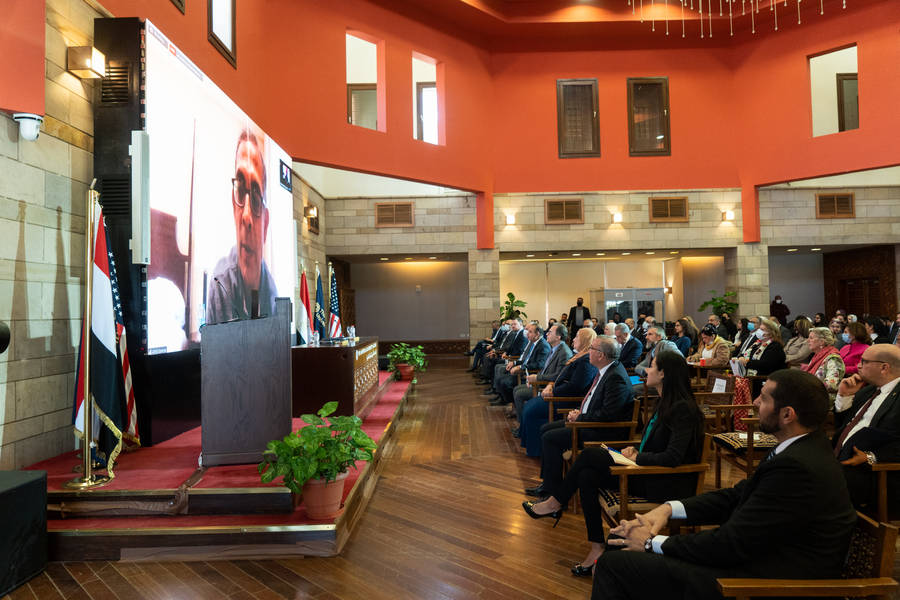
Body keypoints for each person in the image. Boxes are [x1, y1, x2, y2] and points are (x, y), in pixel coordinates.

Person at [595, 369, 857, 600]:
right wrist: (666, 509)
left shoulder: (798, 467)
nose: (754, 402)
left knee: (613, 564)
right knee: (620, 538)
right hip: (753, 562)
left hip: (761, 584)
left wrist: (653, 543)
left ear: (787, 415)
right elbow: (735, 495)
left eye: (763, 398)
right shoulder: (800, 448)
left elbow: (732, 544)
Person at [522, 351, 704, 577]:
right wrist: (635, 450)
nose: (646, 370)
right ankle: (596, 547)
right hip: (648, 472)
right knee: (586, 476)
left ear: (664, 373)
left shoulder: (682, 408)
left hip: (664, 481)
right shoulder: (664, 402)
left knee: (589, 455)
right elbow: (657, 445)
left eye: (651, 366)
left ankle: (555, 503)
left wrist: (638, 457)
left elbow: (673, 457)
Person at [523, 335, 632, 497]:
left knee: (550, 437)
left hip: (601, 431)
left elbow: (609, 414)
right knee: (545, 429)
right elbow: (594, 401)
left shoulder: (616, 377)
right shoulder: (607, 370)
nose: (588, 352)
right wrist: (578, 412)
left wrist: (580, 418)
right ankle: (548, 482)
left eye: (591, 349)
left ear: (601, 355)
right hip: (588, 421)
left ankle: (551, 490)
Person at [208, 129, 278, 324]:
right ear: (233, 204)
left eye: (255, 198)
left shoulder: (273, 293)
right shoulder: (219, 282)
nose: (246, 215)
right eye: (240, 190)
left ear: (265, 224)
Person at [833, 344, 900, 516]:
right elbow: (843, 429)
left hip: (879, 473)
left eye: (864, 361)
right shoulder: (868, 390)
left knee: (820, 482)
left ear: (884, 367)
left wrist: (871, 457)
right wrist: (844, 397)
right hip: (842, 458)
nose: (858, 366)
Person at [517, 328, 597, 452]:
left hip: (567, 400)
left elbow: (575, 386)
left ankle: (536, 449)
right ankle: (530, 444)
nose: (574, 339)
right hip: (558, 393)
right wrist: (550, 385)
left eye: (577, 337)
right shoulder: (578, 356)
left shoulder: (586, 361)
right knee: (530, 406)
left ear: (586, 340)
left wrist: (554, 392)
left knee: (532, 410)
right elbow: (559, 374)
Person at [508, 322, 572, 424]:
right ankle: (523, 424)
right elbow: (544, 368)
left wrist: (537, 379)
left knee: (519, 394)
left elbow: (558, 376)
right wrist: (534, 377)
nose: (546, 334)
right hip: (542, 381)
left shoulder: (564, 352)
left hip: (548, 386)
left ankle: (522, 425)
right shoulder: (554, 348)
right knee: (516, 389)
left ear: (558, 337)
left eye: (550, 332)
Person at [488, 323, 549, 405]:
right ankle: (507, 400)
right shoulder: (533, 343)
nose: (527, 333)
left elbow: (539, 365)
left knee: (505, 382)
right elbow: (526, 360)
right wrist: (515, 363)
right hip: (525, 369)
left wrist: (520, 367)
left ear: (537, 334)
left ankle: (512, 403)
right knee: (500, 378)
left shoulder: (543, 345)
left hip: (529, 373)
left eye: (530, 331)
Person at [736, 318, 787, 397]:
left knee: (734, 384)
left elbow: (764, 364)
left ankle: (739, 407)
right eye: (759, 328)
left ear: (770, 333)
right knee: (730, 380)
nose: (759, 331)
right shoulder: (756, 344)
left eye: (762, 329)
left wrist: (746, 363)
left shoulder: (775, 347)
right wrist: (742, 358)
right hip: (751, 377)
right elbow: (747, 354)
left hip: (763, 379)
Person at [801, 327, 845, 407]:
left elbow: (831, 384)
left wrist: (807, 387)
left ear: (821, 342)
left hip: (823, 398)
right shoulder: (817, 356)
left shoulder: (833, 359)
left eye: (811, 338)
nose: (807, 340)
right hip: (812, 394)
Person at [632, 326, 679, 399]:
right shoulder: (651, 352)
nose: (646, 337)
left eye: (650, 334)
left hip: (665, 385)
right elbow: (637, 367)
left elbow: (679, 359)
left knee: (629, 390)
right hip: (653, 383)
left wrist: (662, 371)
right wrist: (646, 370)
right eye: (647, 334)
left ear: (659, 337)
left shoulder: (667, 345)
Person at [476, 318, 526, 385]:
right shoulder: (515, 334)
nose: (513, 326)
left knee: (496, 362)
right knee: (487, 355)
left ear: (521, 324)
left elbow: (519, 350)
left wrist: (509, 357)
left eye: (514, 324)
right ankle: (490, 383)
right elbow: (508, 347)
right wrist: (504, 353)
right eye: (512, 324)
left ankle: (492, 385)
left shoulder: (520, 335)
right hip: (508, 356)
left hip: (514, 358)